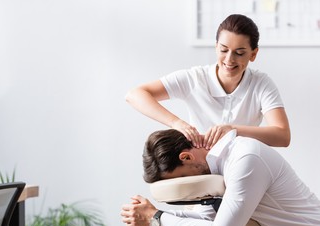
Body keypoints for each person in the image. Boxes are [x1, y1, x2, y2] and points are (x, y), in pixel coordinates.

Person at [121, 129, 320, 226]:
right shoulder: (215, 173)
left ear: (186, 157)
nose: (187, 188)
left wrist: (157, 217)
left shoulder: (244, 160)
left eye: (181, 180)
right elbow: (209, 222)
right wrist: (155, 214)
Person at [125, 14, 291, 150]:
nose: (229, 59)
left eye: (239, 53)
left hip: (243, 162)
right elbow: (134, 95)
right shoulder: (195, 78)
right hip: (199, 164)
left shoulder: (261, 83)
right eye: (224, 50)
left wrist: (233, 130)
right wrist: (177, 123)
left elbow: (282, 136)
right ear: (216, 46)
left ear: (253, 54)